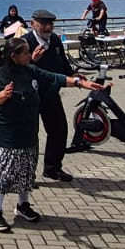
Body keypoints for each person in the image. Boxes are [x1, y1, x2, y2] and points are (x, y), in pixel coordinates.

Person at [0, 37, 102, 231]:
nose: (29, 55)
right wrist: (2, 96)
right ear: (14, 56)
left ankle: (22, 205)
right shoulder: (1, 75)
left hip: (29, 132)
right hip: (8, 135)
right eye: (25, 53)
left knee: (26, 170)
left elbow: (54, 77)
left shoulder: (31, 70)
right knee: (4, 172)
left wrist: (80, 83)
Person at [24, 10, 77, 182]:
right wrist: (32, 59)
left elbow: (63, 62)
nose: (47, 27)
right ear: (33, 24)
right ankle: (27, 174)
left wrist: (73, 77)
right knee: (29, 135)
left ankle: (52, 168)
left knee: (59, 130)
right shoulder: (24, 42)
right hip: (30, 96)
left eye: (50, 24)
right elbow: (12, 69)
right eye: (43, 24)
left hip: (50, 93)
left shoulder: (54, 40)